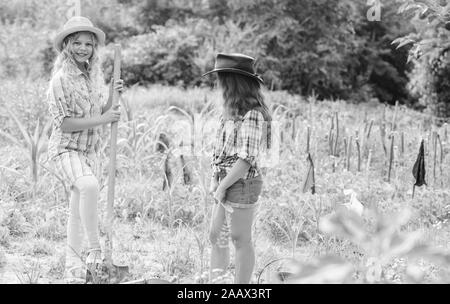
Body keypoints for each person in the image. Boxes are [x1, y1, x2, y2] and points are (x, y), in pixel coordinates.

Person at [46, 16, 124, 283]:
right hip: (65, 149)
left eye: (88, 44)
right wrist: (104, 119)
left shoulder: (92, 77)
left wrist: (114, 96)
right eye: (77, 43)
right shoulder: (60, 80)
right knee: (88, 186)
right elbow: (65, 124)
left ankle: (73, 270)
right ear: (67, 45)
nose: (83, 48)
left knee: (78, 209)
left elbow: (100, 113)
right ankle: (95, 252)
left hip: (89, 152)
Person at [203, 53, 272, 284]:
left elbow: (246, 159)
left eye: (221, 79)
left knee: (239, 238)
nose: (219, 85)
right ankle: (216, 283)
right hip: (226, 178)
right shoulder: (229, 111)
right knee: (216, 236)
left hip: (242, 181)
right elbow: (220, 149)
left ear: (232, 82)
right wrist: (215, 177)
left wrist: (222, 186)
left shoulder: (252, 115)